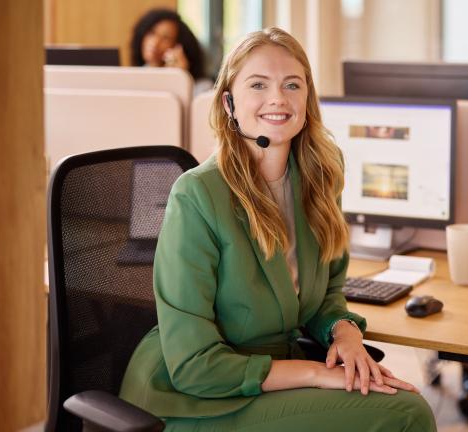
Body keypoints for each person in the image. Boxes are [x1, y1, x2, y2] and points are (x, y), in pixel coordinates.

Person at [119, 27, 437, 431]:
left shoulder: (319, 178)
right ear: (229, 101)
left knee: (395, 398)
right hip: (193, 399)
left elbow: (325, 296)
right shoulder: (197, 196)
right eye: (258, 85)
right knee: (407, 414)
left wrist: (344, 334)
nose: (278, 99)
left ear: (308, 98)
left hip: (274, 379)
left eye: (292, 84)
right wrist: (316, 375)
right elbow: (194, 365)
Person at [130, 8, 206, 84]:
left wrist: (180, 76)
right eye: (152, 33)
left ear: (178, 46)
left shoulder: (202, 85)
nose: (155, 42)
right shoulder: (132, 78)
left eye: (165, 38)